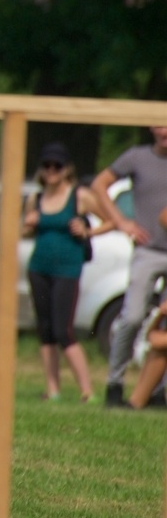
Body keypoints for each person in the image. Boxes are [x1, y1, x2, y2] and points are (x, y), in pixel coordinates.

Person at [20, 142, 114, 402]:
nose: (52, 170)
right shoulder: (35, 198)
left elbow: (111, 221)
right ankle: (53, 390)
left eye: (57, 165)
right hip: (39, 267)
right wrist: (28, 224)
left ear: (66, 169)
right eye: (47, 165)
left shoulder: (79, 196)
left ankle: (87, 391)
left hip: (67, 270)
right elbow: (25, 232)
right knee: (46, 330)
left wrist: (87, 231)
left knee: (63, 330)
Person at [94, 126, 167, 408]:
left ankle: (157, 392)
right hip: (148, 250)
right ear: (151, 127)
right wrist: (121, 222)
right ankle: (115, 382)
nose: (164, 130)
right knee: (133, 317)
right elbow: (99, 185)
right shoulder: (137, 157)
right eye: (160, 124)